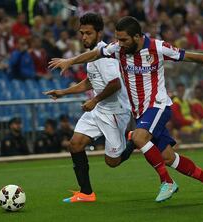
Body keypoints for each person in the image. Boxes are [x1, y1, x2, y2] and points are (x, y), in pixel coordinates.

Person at [49, 16, 203, 203]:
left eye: (124, 40)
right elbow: (95, 54)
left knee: (138, 137)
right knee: (168, 158)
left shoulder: (157, 47)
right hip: (140, 112)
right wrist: (70, 61)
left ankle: (167, 182)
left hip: (158, 105)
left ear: (137, 36)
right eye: (118, 39)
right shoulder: (118, 48)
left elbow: (190, 56)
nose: (120, 44)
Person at [44, 13, 135, 203]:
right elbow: (90, 81)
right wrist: (64, 92)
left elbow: (115, 83)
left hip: (115, 112)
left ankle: (133, 139)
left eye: (88, 33)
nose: (84, 37)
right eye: (82, 33)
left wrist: (94, 101)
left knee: (112, 162)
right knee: (75, 144)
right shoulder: (92, 55)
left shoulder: (105, 55)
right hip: (100, 108)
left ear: (99, 33)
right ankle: (86, 193)